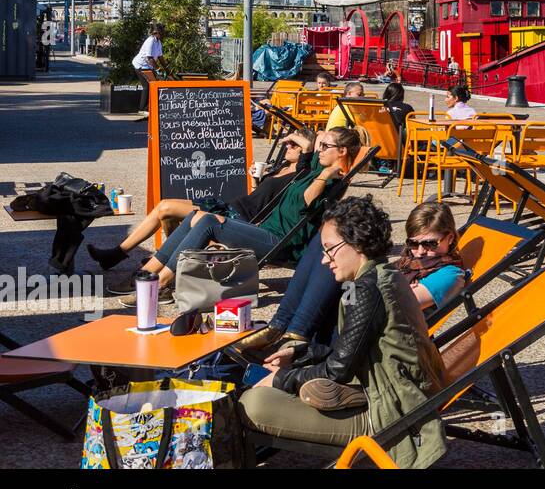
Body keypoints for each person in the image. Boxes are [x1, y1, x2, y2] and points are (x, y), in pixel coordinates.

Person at [238, 195, 448, 468]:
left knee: (250, 404)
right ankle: (342, 395)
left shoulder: (367, 289)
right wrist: (301, 352)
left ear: (356, 242)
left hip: (388, 413)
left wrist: (283, 379)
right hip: (387, 393)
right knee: (266, 391)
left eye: (329, 250)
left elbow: (338, 369)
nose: (325, 260)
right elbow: (349, 347)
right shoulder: (380, 275)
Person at [112, 128, 363, 302]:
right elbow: (312, 142)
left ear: (341, 151)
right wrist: (320, 149)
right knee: (195, 217)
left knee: (208, 220)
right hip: (265, 229)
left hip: (280, 242)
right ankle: (151, 273)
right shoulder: (318, 163)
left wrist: (327, 175)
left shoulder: (333, 181)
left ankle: (162, 282)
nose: (319, 149)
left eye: (326, 146)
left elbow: (304, 203)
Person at [236, 200, 468, 361]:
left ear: (449, 237)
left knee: (342, 252)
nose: (419, 251)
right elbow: (387, 290)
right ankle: (282, 326)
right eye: (413, 243)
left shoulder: (450, 275)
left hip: (371, 335)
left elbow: (394, 303)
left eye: (429, 244)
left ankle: (294, 334)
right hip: (358, 316)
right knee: (326, 241)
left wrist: (369, 279)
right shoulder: (410, 263)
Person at [88, 132, 313, 273]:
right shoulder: (280, 168)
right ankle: (129, 254)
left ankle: (121, 255)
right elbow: (260, 196)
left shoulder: (301, 174)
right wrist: (256, 179)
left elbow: (308, 152)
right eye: (288, 144)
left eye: (293, 145)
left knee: (167, 208)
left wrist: (299, 141)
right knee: (165, 208)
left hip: (241, 218)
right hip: (231, 206)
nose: (288, 147)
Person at [131, 22, 165, 113]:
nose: (163, 34)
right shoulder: (150, 41)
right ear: (157, 32)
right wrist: (158, 70)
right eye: (161, 32)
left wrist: (168, 70)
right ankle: (142, 109)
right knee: (147, 85)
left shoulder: (158, 42)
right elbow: (149, 58)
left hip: (148, 66)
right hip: (140, 65)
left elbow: (161, 57)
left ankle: (150, 107)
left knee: (155, 83)